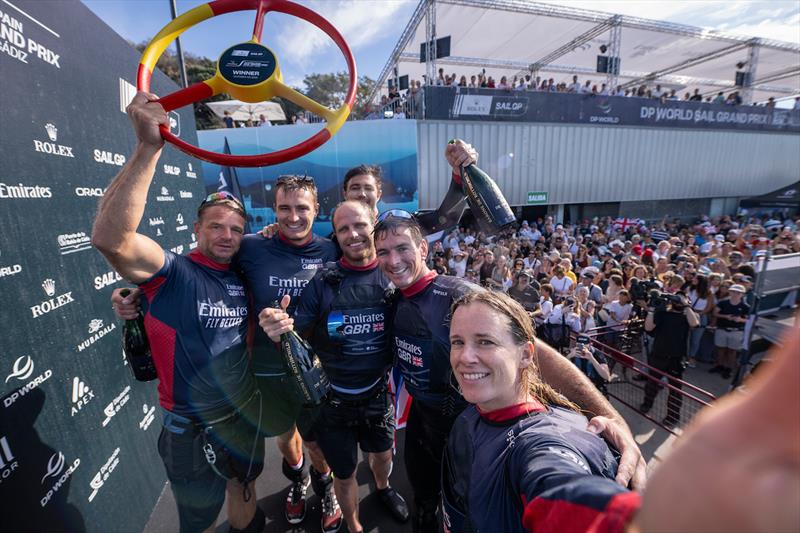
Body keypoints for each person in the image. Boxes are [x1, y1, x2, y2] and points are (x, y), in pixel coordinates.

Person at [373, 215, 646, 532]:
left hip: (474, 425)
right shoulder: (393, 299)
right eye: (384, 252)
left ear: (423, 248)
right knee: (426, 501)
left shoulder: (458, 294)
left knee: (474, 511)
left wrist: (614, 422)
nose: (393, 260)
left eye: (402, 248)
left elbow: (535, 353)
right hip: (424, 423)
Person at [114, 175, 343, 531]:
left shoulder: (333, 249)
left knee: (312, 447)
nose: (293, 216)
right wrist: (137, 298)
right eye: (284, 208)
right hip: (260, 381)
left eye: (302, 208)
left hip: (312, 371)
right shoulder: (250, 247)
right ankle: (298, 482)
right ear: (274, 211)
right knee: (283, 441)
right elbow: (175, 276)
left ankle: (324, 485)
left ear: (317, 210)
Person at [93, 92, 265, 533]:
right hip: (189, 424)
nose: (227, 236)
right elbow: (113, 239)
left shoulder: (244, 273)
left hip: (242, 412)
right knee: (200, 518)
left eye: (235, 230)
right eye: (216, 227)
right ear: (196, 229)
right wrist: (148, 148)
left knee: (244, 489)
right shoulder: (175, 271)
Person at [259, 201, 409, 533]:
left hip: (377, 397)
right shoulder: (323, 282)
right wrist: (277, 328)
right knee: (344, 475)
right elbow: (296, 334)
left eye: (359, 226)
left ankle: (383, 488)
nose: (353, 234)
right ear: (336, 235)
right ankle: (354, 525)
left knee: (383, 459)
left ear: (374, 224)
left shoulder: (393, 274)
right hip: (334, 403)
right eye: (343, 229)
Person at [441, 290, 638, 532]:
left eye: (485, 342)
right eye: (457, 342)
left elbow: (563, 488)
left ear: (525, 354)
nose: (465, 356)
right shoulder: (475, 412)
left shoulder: (542, 444)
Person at [641, 293, 700, 428]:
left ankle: (672, 416)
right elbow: (648, 328)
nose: (677, 301)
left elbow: (695, 323)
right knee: (652, 384)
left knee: (675, 390)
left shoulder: (688, 315)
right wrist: (651, 310)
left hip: (676, 358)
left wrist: (685, 305)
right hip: (658, 355)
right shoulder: (663, 313)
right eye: (675, 299)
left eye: (681, 299)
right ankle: (646, 404)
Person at [710, 283, 750, 379]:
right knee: (720, 349)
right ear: (730, 292)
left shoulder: (745, 306)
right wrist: (726, 316)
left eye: (738, 292)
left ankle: (728, 369)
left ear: (742, 294)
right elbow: (715, 313)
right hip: (722, 329)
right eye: (733, 291)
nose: (735, 294)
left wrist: (740, 319)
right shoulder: (723, 302)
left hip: (736, 331)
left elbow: (749, 320)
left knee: (732, 351)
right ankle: (719, 366)